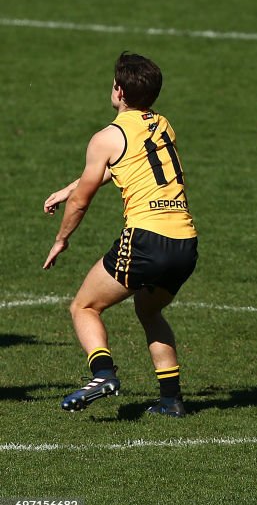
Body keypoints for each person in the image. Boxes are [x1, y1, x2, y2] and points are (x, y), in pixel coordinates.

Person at [43, 52, 198, 418]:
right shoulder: (162, 125)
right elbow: (129, 165)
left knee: (84, 306)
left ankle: (103, 375)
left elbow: (83, 201)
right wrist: (70, 187)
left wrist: (61, 238)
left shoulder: (106, 137)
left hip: (146, 239)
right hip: (185, 242)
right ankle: (171, 400)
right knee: (149, 309)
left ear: (119, 91)